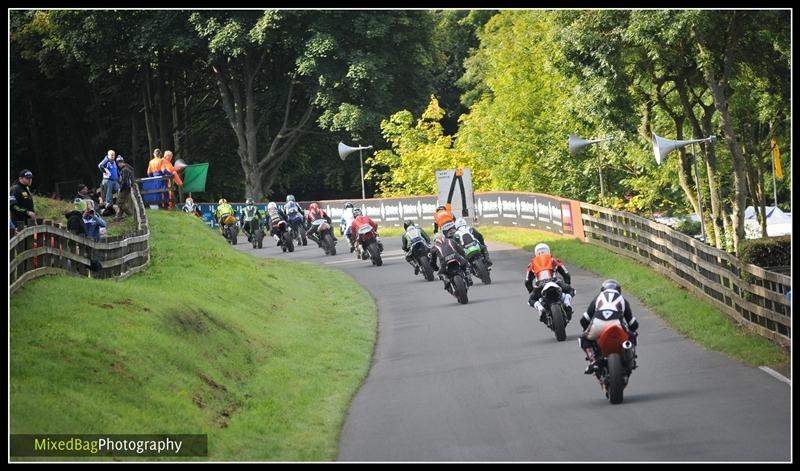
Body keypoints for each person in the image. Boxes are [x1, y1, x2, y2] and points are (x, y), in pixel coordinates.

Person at [579, 279, 639, 374]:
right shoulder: (622, 299)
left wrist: (586, 331)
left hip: (598, 324)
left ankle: (593, 360)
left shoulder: (598, 298)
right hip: (617, 324)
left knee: (583, 339)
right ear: (619, 290)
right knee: (633, 335)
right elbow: (633, 323)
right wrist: (631, 332)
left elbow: (584, 320)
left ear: (602, 289)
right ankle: (631, 357)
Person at [524, 242, 575, 323]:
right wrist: (567, 284)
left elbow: (527, 281)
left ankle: (540, 308)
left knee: (531, 300)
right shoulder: (554, 260)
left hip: (540, 285)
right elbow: (566, 274)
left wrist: (531, 291)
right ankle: (567, 302)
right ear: (548, 251)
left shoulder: (532, 264)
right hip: (555, 282)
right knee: (571, 290)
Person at [115, 156, 135, 220]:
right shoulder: (127, 168)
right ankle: (118, 216)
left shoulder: (125, 169)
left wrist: (121, 188)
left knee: (120, 202)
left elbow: (124, 180)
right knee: (121, 202)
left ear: (121, 162)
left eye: (118, 163)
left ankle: (130, 214)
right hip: (127, 187)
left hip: (125, 188)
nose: (118, 165)